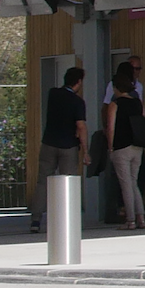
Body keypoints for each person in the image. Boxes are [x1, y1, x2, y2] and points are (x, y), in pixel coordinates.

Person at [34, 66, 88, 231]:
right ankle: (66, 220)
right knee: (67, 182)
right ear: (78, 82)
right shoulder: (78, 102)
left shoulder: (53, 94)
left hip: (49, 142)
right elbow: (81, 126)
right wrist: (86, 151)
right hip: (68, 146)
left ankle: (35, 220)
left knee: (42, 182)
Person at [104, 66, 145, 230]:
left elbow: (111, 127)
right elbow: (143, 121)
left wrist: (110, 147)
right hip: (137, 146)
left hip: (121, 147)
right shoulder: (137, 103)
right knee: (134, 182)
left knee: (125, 184)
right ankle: (141, 218)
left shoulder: (115, 104)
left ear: (116, 87)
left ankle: (130, 219)